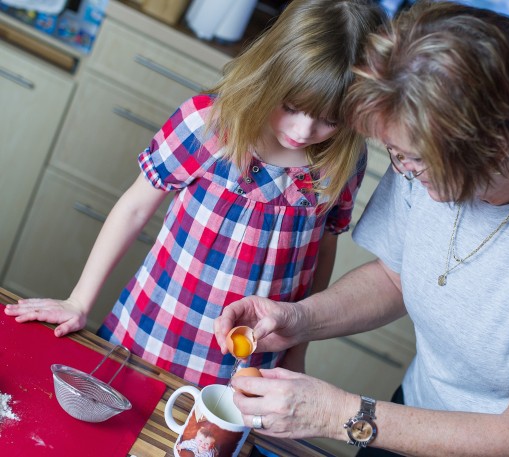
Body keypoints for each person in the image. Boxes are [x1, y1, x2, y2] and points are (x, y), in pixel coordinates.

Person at [212, 1, 509, 455]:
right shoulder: (420, 137)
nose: (407, 175)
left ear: (493, 148)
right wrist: (299, 321)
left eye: (417, 164)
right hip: (419, 414)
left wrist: (336, 415)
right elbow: (397, 276)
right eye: (397, 155)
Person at [4, 0, 385, 386]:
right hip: (152, 333)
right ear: (270, 72)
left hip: (251, 362)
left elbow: (322, 250)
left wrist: (299, 348)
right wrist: (79, 301)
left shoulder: (343, 162)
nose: (304, 131)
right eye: (291, 106)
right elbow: (135, 207)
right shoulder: (210, 125)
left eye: (329, 121)